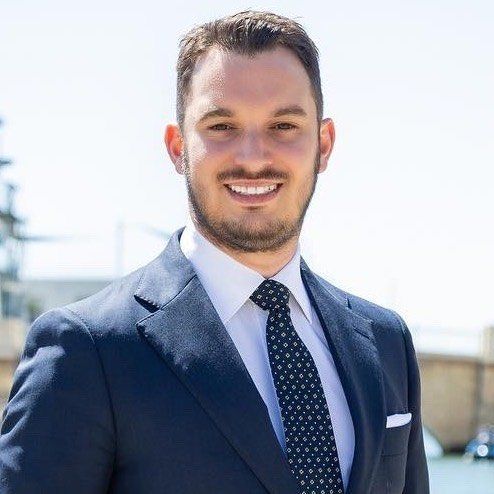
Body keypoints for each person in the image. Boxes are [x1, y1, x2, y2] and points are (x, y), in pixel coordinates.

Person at [0, 10, 429, 494]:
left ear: (323, 144)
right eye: (222, 125)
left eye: (283, 125)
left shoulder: (386, 341)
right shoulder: (87, 350)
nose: (253, 157)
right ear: (177, 146)